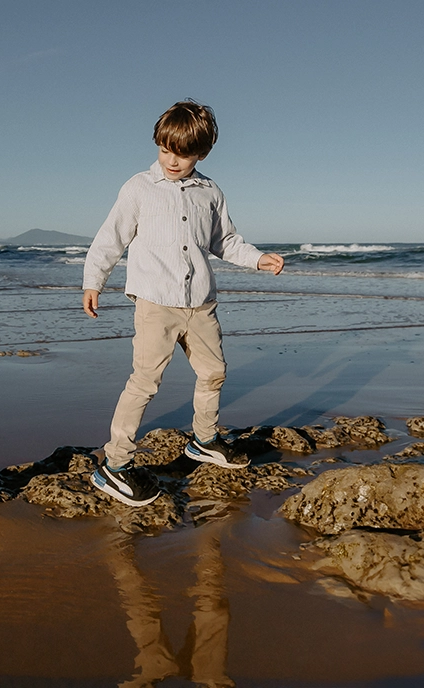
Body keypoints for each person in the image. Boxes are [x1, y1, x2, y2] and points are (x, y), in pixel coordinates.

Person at [81, 100, 284, 506]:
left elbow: (224, 241)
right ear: (158, 144)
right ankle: (115, 464)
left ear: (202, 153)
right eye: (165, 150)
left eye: (184, 153)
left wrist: (257, 258)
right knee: (145, 382)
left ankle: (205, 440)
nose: (172, 160)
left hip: (201, 303)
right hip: (156, 303)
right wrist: (93, 281)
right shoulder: (139, 187)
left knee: (214, 372)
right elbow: (111, 237)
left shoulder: (210, 191)